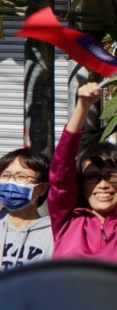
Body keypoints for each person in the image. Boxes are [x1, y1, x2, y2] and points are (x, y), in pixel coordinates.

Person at [48, 81, 117, 261]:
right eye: (92, 177)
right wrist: (83, 106)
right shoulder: (68, 221)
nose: (103, 185)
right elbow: (60, 172)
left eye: (112, 176)